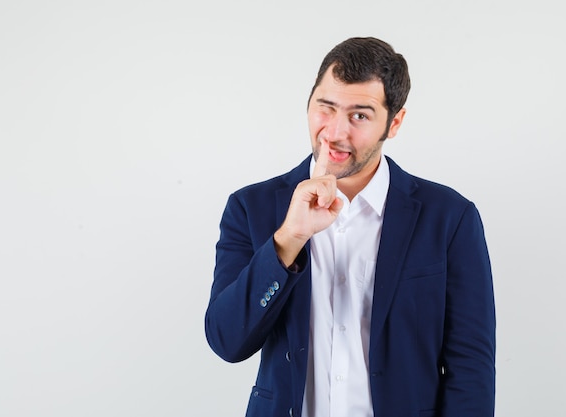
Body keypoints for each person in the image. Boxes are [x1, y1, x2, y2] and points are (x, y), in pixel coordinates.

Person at [205, 37, 495, 417]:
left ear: (394, 122)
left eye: (360, 115)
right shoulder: (250, 208)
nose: (335, 132)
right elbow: (228, 341)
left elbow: (470, 365)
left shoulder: (450, 217)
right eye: (325, 108)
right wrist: (289, 238)